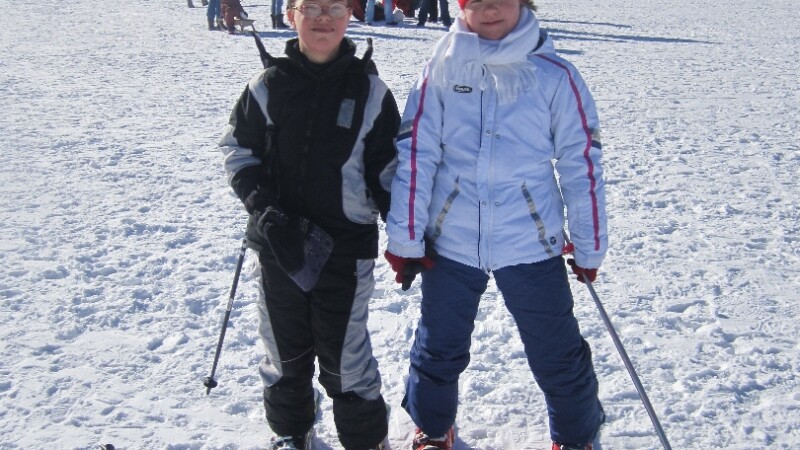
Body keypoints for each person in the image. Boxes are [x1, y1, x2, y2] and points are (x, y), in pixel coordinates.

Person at [383, 0, 608, 448]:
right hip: (451, 242)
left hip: (530, 241)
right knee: (438, 347)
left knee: (557, 352)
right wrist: (405, 238)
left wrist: (589, 246)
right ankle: (433, 427)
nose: (488, 9)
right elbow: (416, 154)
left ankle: (577, 437)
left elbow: (582, 163)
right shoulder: (441, 70)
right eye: (475, 0)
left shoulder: (554, 75)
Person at [217, 0, 401, 447]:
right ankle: (291, 433)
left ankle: (364, 440)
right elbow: (240, 153)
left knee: (345, 356)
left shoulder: (370, 91)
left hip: (345, 250)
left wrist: (411, 235)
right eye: (311, 5)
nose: (323, 17)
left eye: (335, 7)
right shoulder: (267, 85)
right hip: (278, 245)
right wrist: (262, 206)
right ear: (293, 14)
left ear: (351, 15)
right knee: (284, 350)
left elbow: (389, 173)